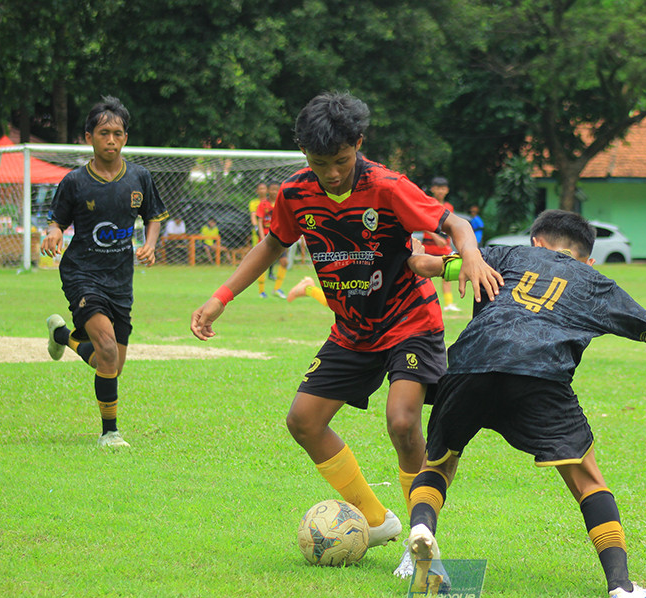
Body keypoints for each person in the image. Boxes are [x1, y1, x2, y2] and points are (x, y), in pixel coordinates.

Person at [190, 91, 502, 568]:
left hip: (408, 320)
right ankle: (376, 521)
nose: (332, 173)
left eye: (341, 160)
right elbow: (273, 244)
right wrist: (220, 298)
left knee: (402, 421)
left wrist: (472, 256)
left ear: (358, 143)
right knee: (304, 421)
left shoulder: (388, 186)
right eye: (320, 163)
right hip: (352, 330)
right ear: (304, 153)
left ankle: (421, 537)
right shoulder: (295, 194)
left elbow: (453, 223)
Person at [401, 209, 646, 598]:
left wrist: (413, 249)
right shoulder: (597, 283)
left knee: (438, 464)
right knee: (587, 478)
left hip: (470, 365)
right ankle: (621, 587)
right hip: (539, 374)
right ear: (588, 259)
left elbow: (424, 266)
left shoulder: (504, 254)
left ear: (536, 242)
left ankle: (422, 527)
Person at [42, 96, 168, 448]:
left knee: (110, 363)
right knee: (108, 350)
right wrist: (53, 232)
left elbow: (154, 217)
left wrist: (150, 244)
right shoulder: (75, 181)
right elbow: (56, 220)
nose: (110, 140)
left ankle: (62, 335)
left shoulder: (140, 177)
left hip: (120, 280)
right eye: (103, 133)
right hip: (82, 274)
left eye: (117, 133)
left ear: (125, 137)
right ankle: (110, 433)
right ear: (89, 137)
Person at [422, 176, 461, 312]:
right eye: (438, 188)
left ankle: (448, 303)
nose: (440, 191)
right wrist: (435, 237)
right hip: (429, 245)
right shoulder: (428, 203)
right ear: (432, 189)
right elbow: (422, 222)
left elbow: (451, 226)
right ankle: (425, 303)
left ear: (447, 190)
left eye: (443, 188)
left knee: (447, 274)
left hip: (444, 246)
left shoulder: (449, 207)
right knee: (424, 275)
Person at [254, 182, 289, 298]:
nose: (274, 192)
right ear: (268, 190)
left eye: (276, 189)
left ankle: (277, 289)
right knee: (262, 264)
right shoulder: (263, 204)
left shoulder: (282, 203)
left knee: (284, 262)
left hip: (279, 237)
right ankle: (261, 291)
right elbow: (259, 221)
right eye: (272, 189)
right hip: (266, 237)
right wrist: (262, 237)